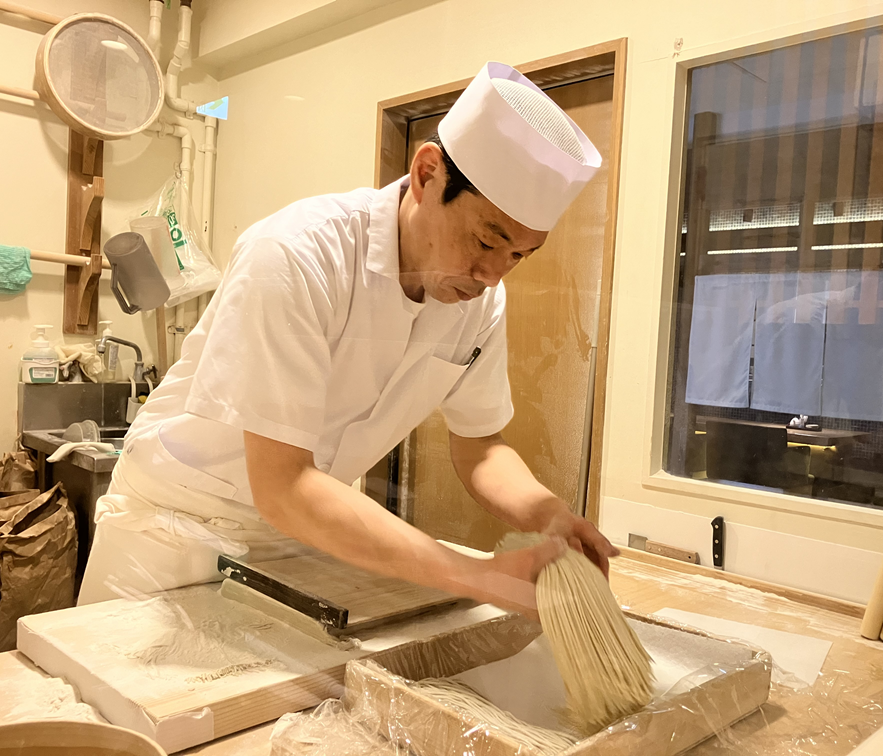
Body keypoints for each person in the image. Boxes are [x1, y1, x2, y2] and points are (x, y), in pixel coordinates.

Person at [79, 62, 618, 618]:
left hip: (302, 536)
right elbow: (284, 483)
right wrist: (477, 575)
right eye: (485, 241)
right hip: (172, 530)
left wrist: (549, 515)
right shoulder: (298, 253)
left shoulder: (478, 300)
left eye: (519, 256)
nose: (492, 274)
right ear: (427, 174)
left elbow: (480, 444)